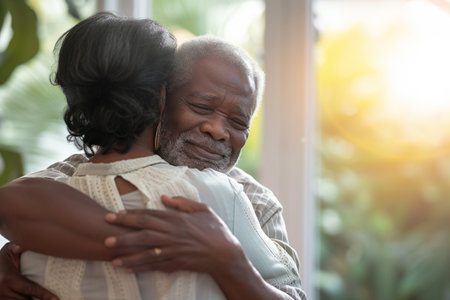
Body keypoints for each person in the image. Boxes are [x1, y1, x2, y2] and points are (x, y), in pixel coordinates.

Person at [0, 12, 303, 300]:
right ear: (162, 99)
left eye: (238, 123)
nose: (218, 131)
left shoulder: (253, 200)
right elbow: (11, 203)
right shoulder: (79, 171)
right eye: (201, 107)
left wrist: (229, 259)